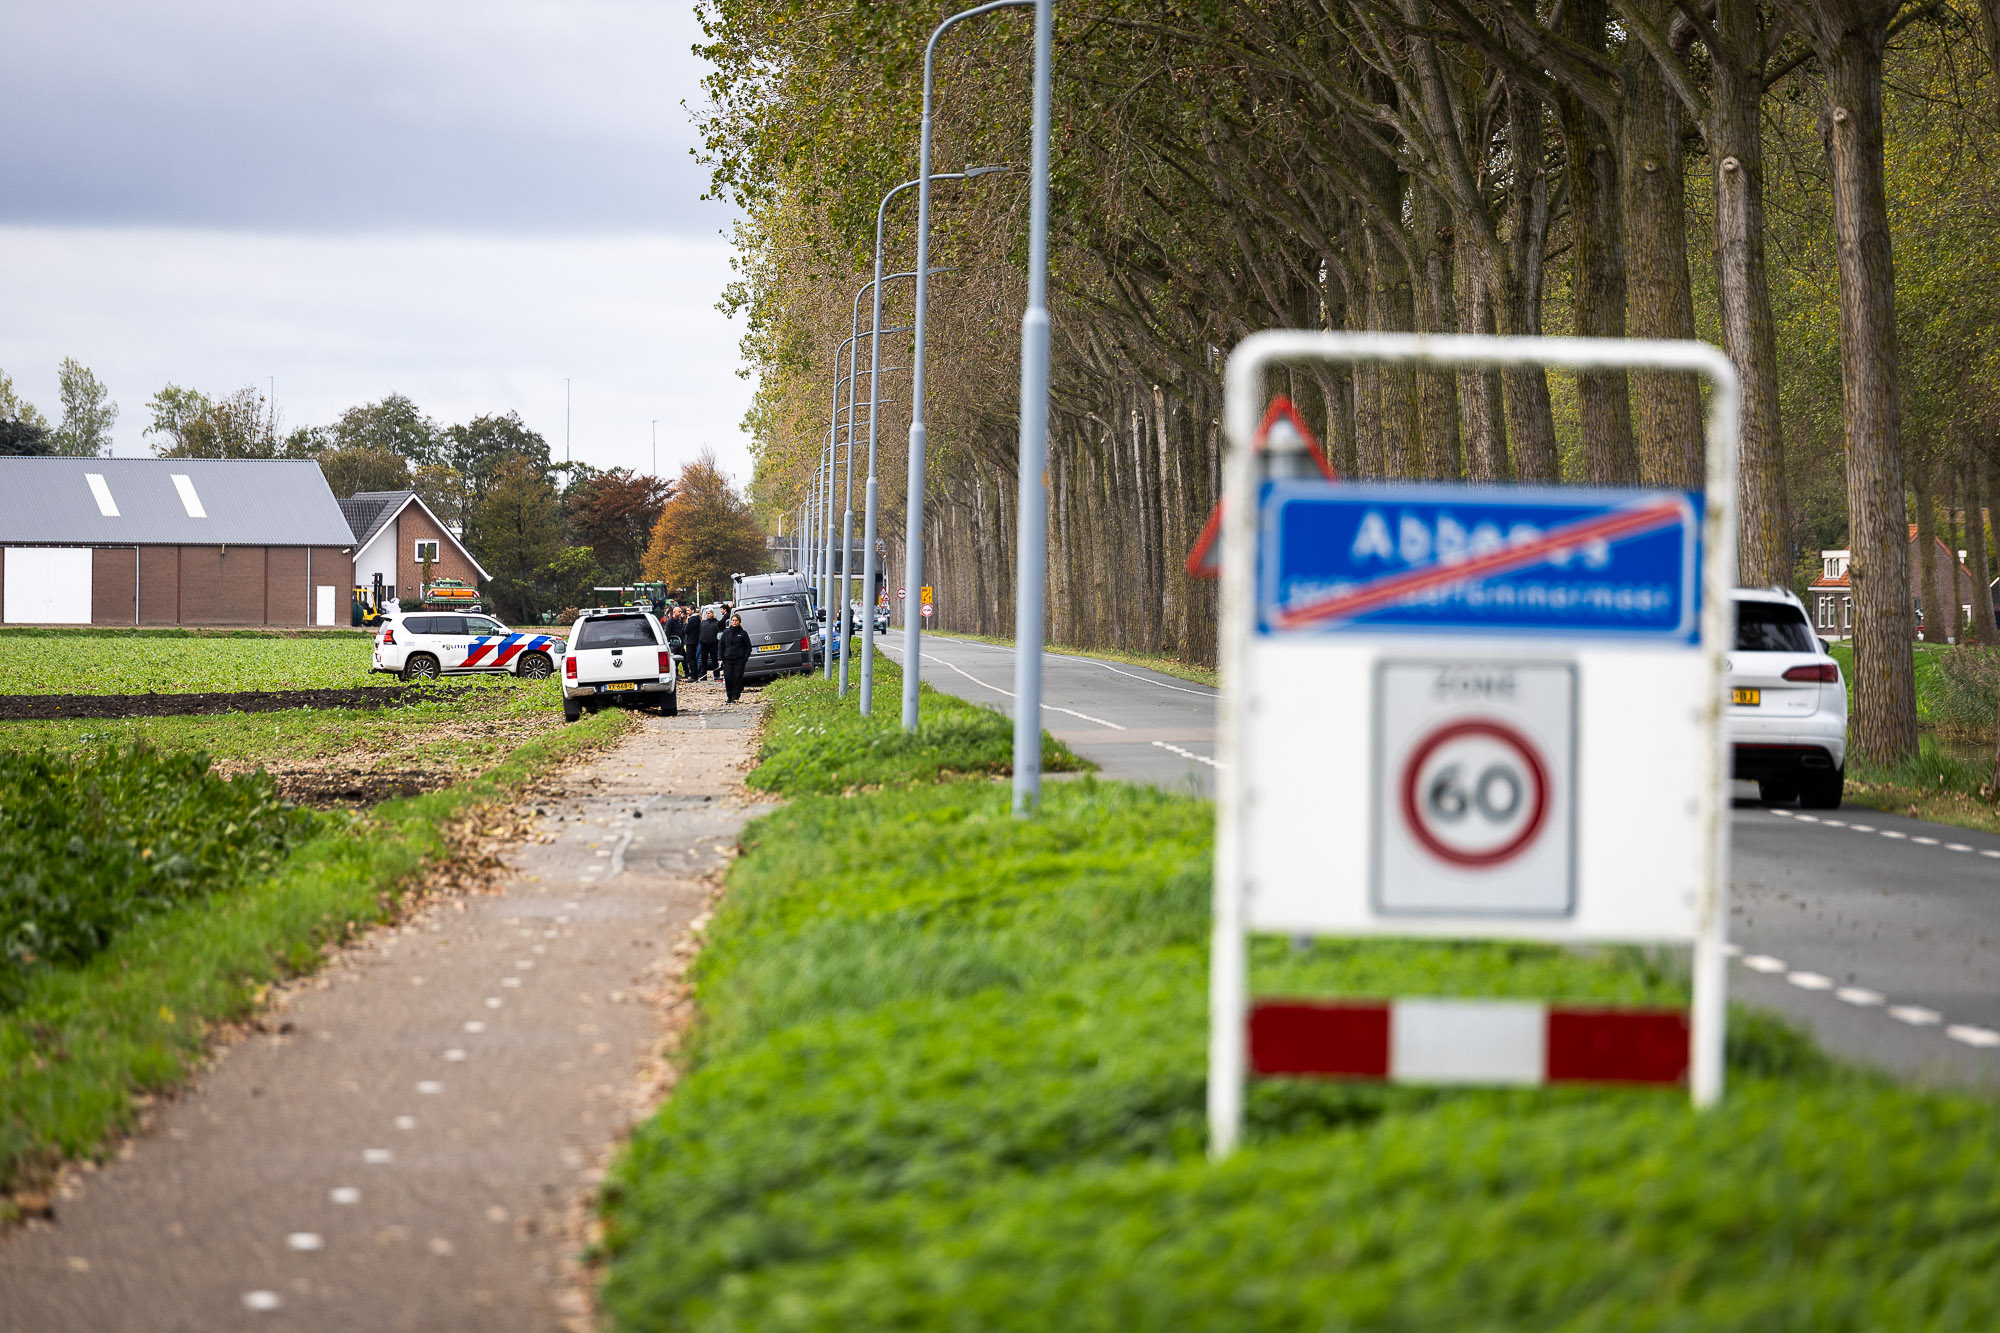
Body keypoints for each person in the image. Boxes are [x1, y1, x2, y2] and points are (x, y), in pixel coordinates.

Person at [719, 613, 752, 702]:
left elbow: (748, 647)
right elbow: (721, 645)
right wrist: (720, 658)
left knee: (737, 677)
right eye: (733, 620)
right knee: (728, 677)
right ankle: (729, 696)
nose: (734, 622)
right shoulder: (726, 633)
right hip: (728, 658)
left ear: (739, 622)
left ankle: (736, 695)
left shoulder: (743, 633)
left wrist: (745, 658)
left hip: (739, 659)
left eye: (736, 620)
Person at [697, 609, 723, 680]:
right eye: (707, 613)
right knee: (703, 660)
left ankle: (716, 675)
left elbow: (720, 633)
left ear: (713, 614)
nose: (707, 615)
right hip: (703, 643)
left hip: (713, 644)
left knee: (714, 660)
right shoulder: (703, 622)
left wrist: (716, 640)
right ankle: (703, 675)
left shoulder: (717, 622)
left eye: (709, 613)